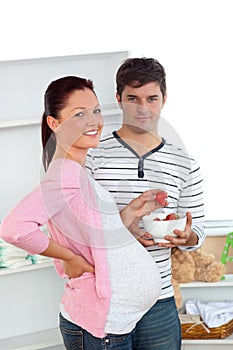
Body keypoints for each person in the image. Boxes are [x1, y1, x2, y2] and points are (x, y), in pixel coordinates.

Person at [0, 76, 170, 350]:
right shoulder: (64, 175)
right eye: (79, 114)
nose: (94, 121)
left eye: (96, 110)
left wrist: (130, 212)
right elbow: (13, 228)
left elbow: (95, 235)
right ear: (55, 123)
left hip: (112, 326)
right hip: (98, 329)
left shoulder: (77, 175)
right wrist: (69, 257)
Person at [86, 58, 206, 350]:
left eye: (152, 98)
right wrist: (123, 226)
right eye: (133, 98)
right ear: (118, 99)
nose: (143, 108)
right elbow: (79, 229)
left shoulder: (185, 164)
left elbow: (197, 231)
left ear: (164, 99)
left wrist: (186, 237)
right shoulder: (92, 156)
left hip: (159, 300)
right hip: (106, 299)